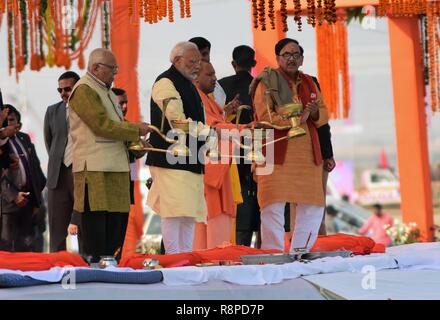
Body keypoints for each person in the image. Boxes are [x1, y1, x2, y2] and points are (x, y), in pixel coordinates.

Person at [68, 48, 152, 263]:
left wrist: (136, 144)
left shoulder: (106, 91)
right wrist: (135, 130)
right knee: (96, 236)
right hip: (95, 172)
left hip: (116, 169)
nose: (115, 74)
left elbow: (118, 125)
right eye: (112, 69)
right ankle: (95, 285)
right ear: (96, 68)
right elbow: (101, 125)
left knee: (115, 233)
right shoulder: (84, 90)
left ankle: (112, 279)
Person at [252, 38, 329, 252]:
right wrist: (296, 120)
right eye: (286, 54)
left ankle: (300, 252)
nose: (291, 58)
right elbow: (265, 116)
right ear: (277, 58)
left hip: (307, 155)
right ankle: (274, 253)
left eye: (296, 54)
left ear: (302, 58)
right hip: (275, 151)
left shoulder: (310, 82)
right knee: (272, 206)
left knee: (313, 205)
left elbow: (324, 114)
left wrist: (313, 113)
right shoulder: (266, 82)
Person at [146, 41, 210, 254]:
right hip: (170, 158)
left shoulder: (187, 83)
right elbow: (177, 120)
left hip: (189, 160)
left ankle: (185, 260)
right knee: (174, 213)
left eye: (199, 62)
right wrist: (209, 133)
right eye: (192, 62)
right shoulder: (165, 82)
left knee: (188, 214)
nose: (197, 67)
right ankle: (174, 261)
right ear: (176, 61)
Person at [193, 61, 248, 249]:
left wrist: (226, 113)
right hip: (208, 169)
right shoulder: (194, 97)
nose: (215, 79)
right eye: (210, 75)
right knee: (209, 224)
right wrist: (244, 129)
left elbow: (215, 121)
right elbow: (212, 126)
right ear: (196, 75)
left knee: (215, 221)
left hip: (218, 167)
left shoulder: (205, 98)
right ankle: (213, 262)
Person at [218, 45, 261, 247]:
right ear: (254, 64)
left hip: (229, 152)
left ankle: (236, 248)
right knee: (260, 202)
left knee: (237, 199)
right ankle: (261, 250)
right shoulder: (261, 86)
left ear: (233, 64)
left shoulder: (220, 86)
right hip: (260, 148)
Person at [0, 105, 46, 252]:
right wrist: (14, 196)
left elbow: (36, 170)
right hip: (7, 204)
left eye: (11, 120)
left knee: (27, 248)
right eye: (4, 120)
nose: (7, 124)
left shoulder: (24, 138)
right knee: (6, 247)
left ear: (18, 125)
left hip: (28, 202)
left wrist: (36, 201)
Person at [44, 71, 80, 252]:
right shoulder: (52, 111)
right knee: (56, 233)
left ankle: (86, 270)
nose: (63, 93)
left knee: (84, 229)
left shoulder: (87, 110)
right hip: (57, 176)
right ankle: (55, 271)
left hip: (81, 173)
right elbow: (49, 142)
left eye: (67, 89)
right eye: (60, 90)